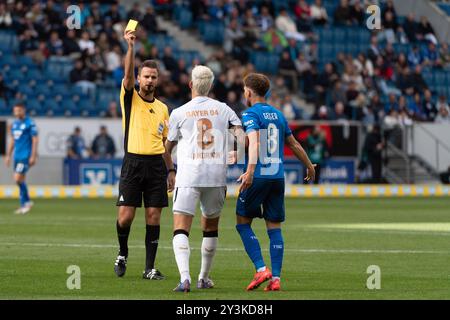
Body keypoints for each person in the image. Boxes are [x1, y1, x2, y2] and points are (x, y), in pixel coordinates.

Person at [235, 73, 315, 291]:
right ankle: (276, 279)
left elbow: (255, 141)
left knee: (242, 222)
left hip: (258, 176)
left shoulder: (249, 113)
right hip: (277, 177)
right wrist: (309, 165)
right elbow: (295, 144)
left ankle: (261, 269)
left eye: (244, 89)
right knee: (274, 227)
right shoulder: (278, 115)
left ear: (248, 92)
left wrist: (250, 170)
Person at [165, 65, 242, 292]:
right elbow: (241, 133)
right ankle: (203, 277)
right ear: (211, 86)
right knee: (210, 227)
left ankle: (185, 278)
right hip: (216, 176)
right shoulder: (224, 109)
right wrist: (237, 152)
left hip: (189, 176)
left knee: (181, 228)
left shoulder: (179, 112)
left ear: (191, 85)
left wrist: (170, 170)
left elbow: (166, 148)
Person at [113, 29, 176, 281]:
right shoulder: (130, 99)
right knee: (126, 216)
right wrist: (130, 48)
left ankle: (149, 267)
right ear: (139, 78)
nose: (149, 80)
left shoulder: (163, 109)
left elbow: (164, 144)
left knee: (153, 215)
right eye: (146, 76)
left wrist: (171, 170)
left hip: (156, 166)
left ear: (157, 80)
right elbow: (126, 75)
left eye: (153, 77)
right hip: (133, 162)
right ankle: (122, 252)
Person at [4, 103, 38, 214]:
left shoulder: (30, 123)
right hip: (17, 156)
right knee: (20, 180)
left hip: (25, 156)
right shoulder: (14, 124)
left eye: (19, 110)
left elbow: (35, 139)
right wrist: (8, 155)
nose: (17, 113)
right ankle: (26, 202)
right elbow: (13, 141)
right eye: (15, 111)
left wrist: (33, 156)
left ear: (23, 110)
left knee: (18, 179)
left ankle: (25, 203)